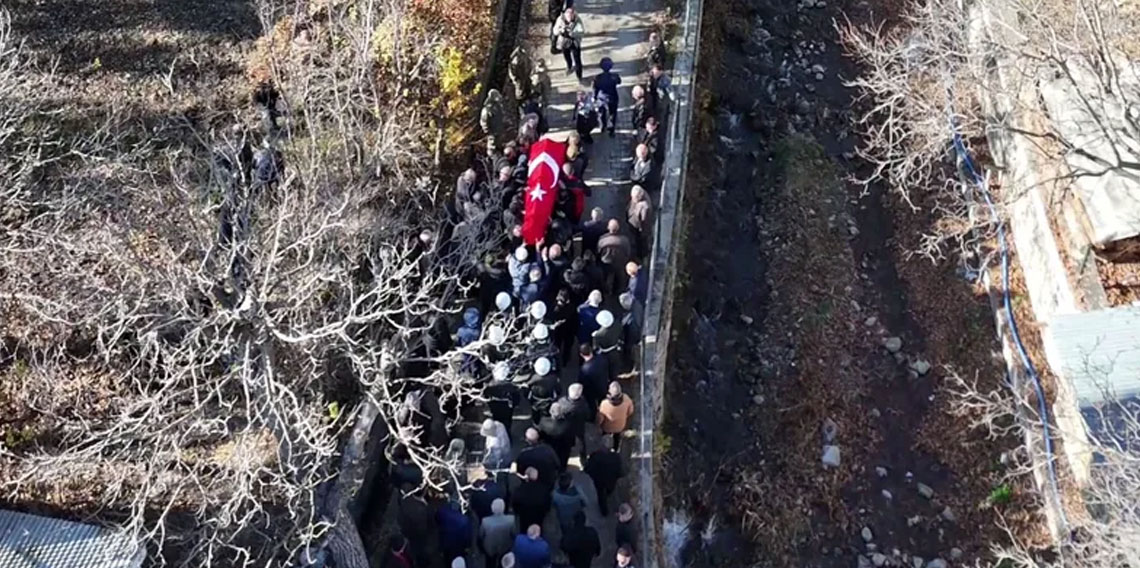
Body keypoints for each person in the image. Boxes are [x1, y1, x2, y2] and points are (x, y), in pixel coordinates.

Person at [584, 435, 625, 516]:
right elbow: (619, 471)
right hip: (611, 481)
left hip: (599, 480)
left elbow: (588, 469)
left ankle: (604, 510)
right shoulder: (616, 457)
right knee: (609, 491)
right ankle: (607, 496)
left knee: (600, 495)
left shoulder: (595, 456)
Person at [397, 486, 433, 568]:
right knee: (421, 551)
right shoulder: (423, 509)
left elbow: (400, 517)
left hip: (409, 533)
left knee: (415, 551)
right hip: (420, 535)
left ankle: (418, 562)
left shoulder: (405, 499)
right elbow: (429, 523)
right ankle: (423, 563)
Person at [479, 498, 518, 568]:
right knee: (504, 562)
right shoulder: (511, 520)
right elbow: (514, 534)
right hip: (505, 545)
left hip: (489, 547)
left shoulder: (485, 521)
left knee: (489, 562)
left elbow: (481, 535)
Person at [537, 400, 576, 469]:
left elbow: (540, 436)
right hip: (564, 449)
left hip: (549, 448)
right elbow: (571, 436)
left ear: (550, 412)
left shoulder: (543, 422)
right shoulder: (568, 424)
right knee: (562, 463)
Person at [597, 220, 632, 295]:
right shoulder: (624, 240)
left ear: (608, 228)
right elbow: (628, 252)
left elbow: (598, 251)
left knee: (607, 276)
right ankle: (618, 290)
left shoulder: (603, 240)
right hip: (619, 262)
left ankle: (607, 290)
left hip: (606, 262)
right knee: (620, 277)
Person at [597, 381, 634, 450]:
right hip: (620, 426)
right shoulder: (626, 399)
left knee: (605, 437)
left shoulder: (604, 404)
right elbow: (630, 412)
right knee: (617, 437)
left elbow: (600, 419)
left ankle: (605, 449)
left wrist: (598, 425)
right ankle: (615, 449)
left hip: (607, 427)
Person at [552, 8, 585, 80]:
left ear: (573, 15)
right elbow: (555, 31)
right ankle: (569, 66)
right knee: (567, 57)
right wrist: (561, 30)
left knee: (577, 60)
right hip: (564, 42)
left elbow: (582, 32)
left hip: (574, 42)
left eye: (571, 18)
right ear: (565, 16)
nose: (570, 20)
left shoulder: (577, 20)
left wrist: (573, 33)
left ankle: (579, 75)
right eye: (568, 18)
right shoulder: (560, 19)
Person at [578, 343, 610, 418]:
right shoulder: (602, 358)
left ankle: (594, 416)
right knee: (602, 402)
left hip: (591, 391)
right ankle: (603, 414)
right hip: (603, 386)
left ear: (581, 355)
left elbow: (582, 383)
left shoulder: (584, 370)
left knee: (592, 405)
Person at [592, 57, 622, 135]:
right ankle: (611, 128)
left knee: (601, 112)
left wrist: (594, 97)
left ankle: (602, 125)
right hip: (612, 96)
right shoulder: (615, 76)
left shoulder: (597, 77)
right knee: (613, 112)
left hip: (601, 98)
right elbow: (619, 82)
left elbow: (595, 89)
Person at [525, 357, 560, 424]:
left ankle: (535, 424)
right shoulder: (553, 378)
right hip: (548, 400)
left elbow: (527, 388)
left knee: (535, 414)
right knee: (547, 413)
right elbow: (558, 390)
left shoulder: (533, 378)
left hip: (535, 401)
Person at [559, 383, 590, 451]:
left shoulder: (562, 402)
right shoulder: (583, 403)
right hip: (579, 426)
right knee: (581, 440)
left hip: (567, 427)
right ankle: (583, 455)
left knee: (568, 440)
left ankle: (569, 447)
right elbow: (587, 415)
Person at [592, 310, 622, 378]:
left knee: (606, 368)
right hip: (615, 351)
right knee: (614, 366)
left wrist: (594, 337)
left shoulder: (599, 335)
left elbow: (595, 347)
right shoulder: (617, 324)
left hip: (605, 354)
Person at [619, 292, 643, 372]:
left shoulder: (632, 320)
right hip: (635, 333)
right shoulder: (637, 304)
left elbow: (632, 333)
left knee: (631, 351)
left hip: (633, 337)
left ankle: (631, 365)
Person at [627, 185, 653, 258]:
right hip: (634, 223)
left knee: (641, 242)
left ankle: (642, 255)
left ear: (639, 197)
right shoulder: (640, 194)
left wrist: (641, 231)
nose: (632, 199)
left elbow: (644, 221)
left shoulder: (645, 207)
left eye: (634, 198)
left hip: (640, 230)